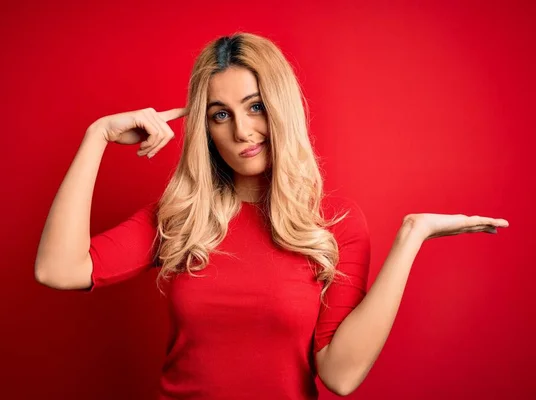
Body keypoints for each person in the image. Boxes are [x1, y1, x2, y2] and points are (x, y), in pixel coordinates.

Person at [34, 32, 509, 399]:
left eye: (255, 107)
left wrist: (412, 235)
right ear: (206, 127)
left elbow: (340, 375)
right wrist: (96, 135)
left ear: (280, 108)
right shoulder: (182, 217)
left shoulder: (333, 223)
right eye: (220, 115)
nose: (242, 130)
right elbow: (58, 270)